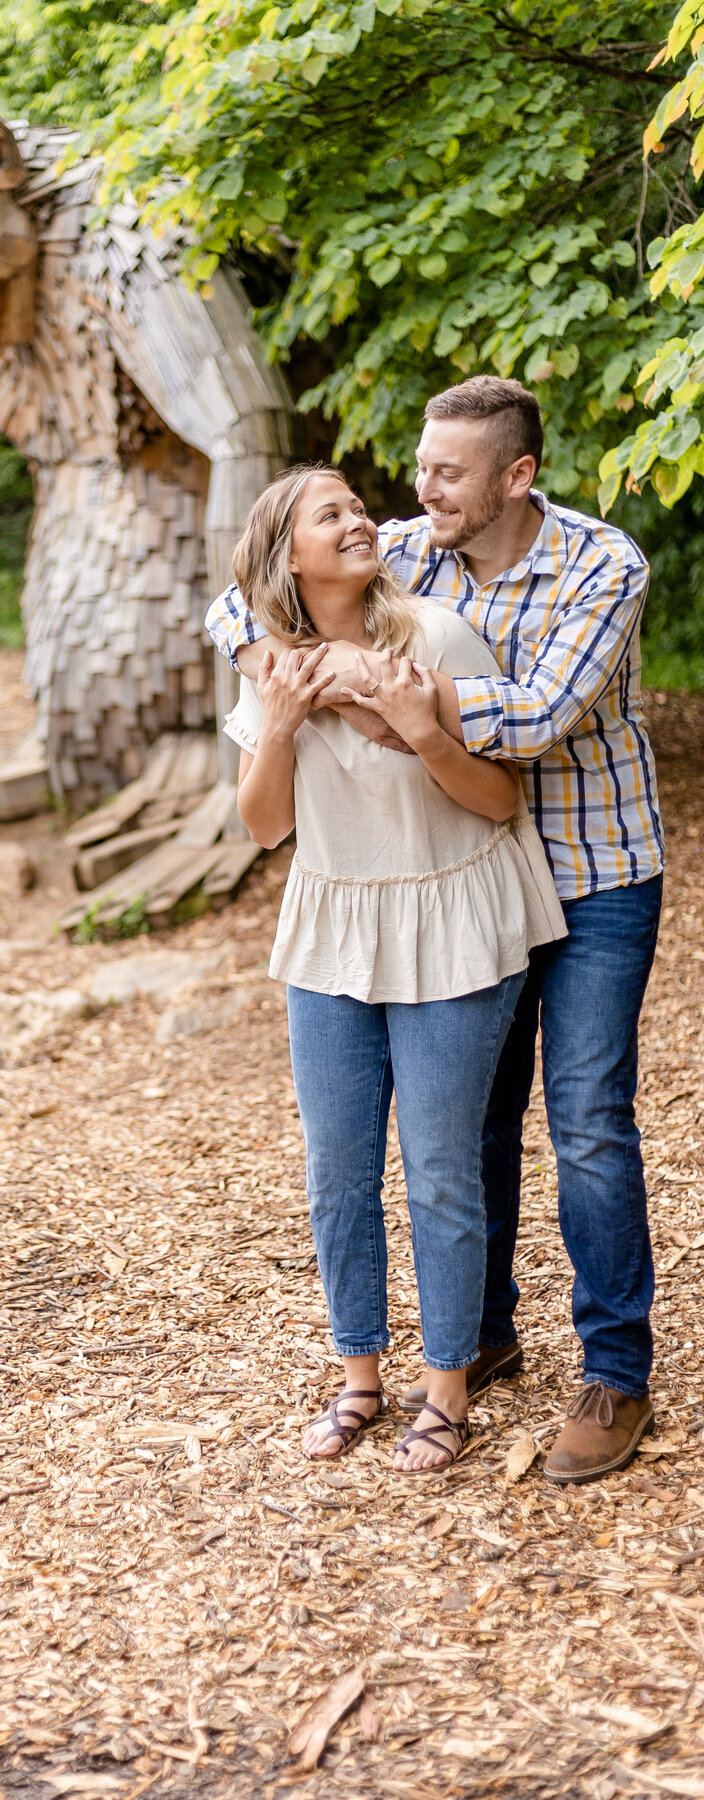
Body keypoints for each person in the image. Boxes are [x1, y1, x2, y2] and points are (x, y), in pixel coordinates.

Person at [207, 376, 663, 1485]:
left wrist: (370, 689)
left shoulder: (603, 566)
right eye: (419, 468)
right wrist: (271, 664)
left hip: (589, 869)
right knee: (475, 1126)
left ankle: (614, 1370)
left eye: (448, 473)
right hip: (457, 887)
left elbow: (542, 718)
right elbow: (249, 597)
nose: (418, 494)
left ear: (518, 476)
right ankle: (481, 1333)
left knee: (589, 1120)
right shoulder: (406, 545)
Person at [225, 461, 566, 1472]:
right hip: (332, 927)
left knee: (440, 1171)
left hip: (453, 916)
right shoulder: (270, 665)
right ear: (290, 554)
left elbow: (500, 802)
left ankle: (448, 1390)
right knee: (337, 1175)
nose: (359, 519)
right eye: (330, 514)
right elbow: (264, 825)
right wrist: (279, 725)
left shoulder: (437, 638)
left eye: (356, 506)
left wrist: (422, 733)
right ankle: (360, 1379)